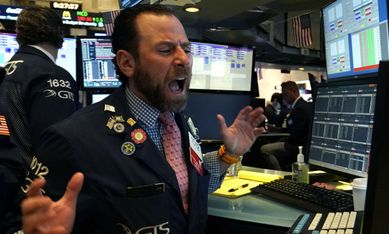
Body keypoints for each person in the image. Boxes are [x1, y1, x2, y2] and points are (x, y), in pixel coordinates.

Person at [17, 4, 265, 234]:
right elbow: (24, 223)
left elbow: (183, 190)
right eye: (166, 50)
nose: (184, 60)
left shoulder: (180, 122)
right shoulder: (72, 140)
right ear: (127, 62)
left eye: (186, 49)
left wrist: (227, 155)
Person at [0, 6, 80, 230]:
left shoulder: (6, 71)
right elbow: (58, 148)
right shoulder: (52, 75)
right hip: (30, 207)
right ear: (60, 36)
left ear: (19, 36)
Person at [260, 81, 312, 171]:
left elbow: (296, 134)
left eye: (286, 94)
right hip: (298, 143)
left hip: (297, 146)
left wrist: (284, 139)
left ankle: (279, 175)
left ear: (294, 92)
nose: (284, 97)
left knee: (265, 149)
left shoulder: (300, 108)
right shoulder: (300, 106)